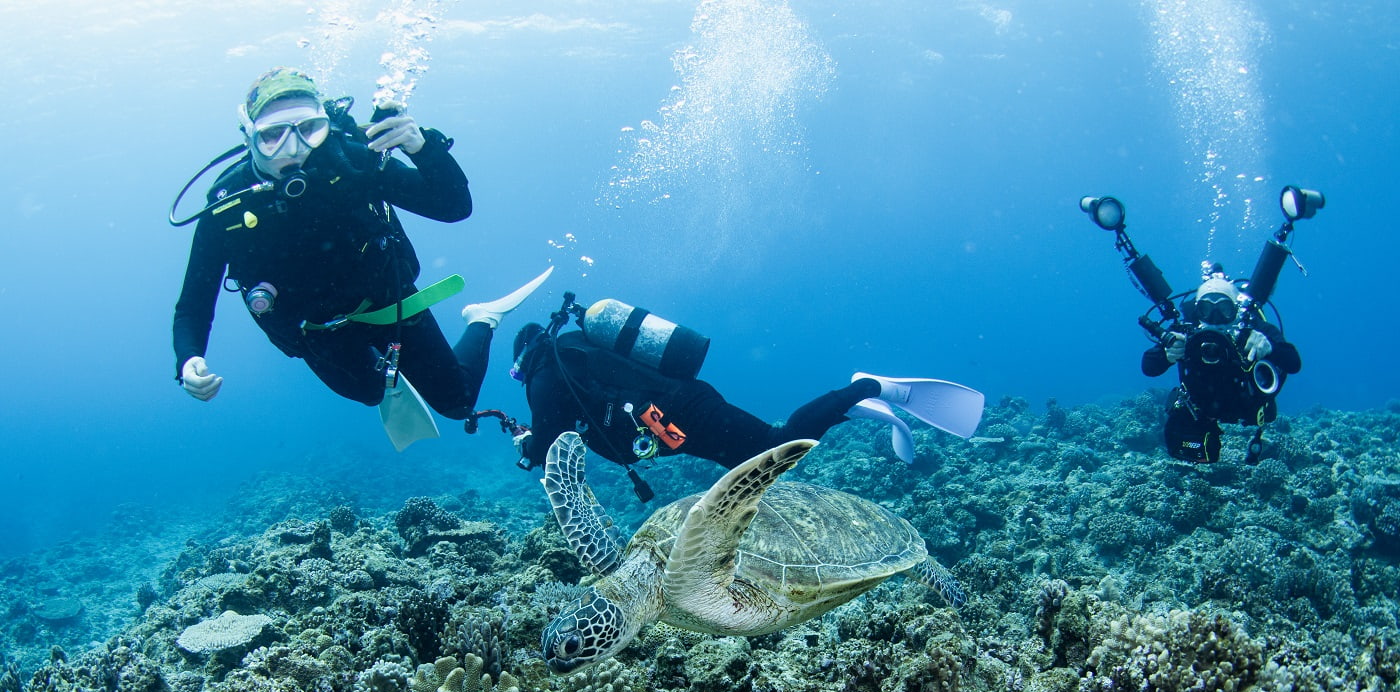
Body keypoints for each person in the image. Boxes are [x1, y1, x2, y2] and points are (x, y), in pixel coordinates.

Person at [172, 67, 511, 438]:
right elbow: (194, 302)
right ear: (249, 136)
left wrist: (422, 147)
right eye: (273, 136)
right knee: (367, 392)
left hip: (389, 302)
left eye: (309, 130)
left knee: (458, 403)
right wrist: (189, 358)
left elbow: (453, 206)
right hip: (317, 332)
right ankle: (380, 378)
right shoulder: (228, 207)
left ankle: (482, 318)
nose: (295, 150)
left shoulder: (351, 163)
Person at [506, 312, 984, 480]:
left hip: (678, 413)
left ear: (523, 357)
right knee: (755, 466)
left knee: (773, 451)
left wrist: (528, 447)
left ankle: (870, 387)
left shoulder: (546, 374)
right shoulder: (572, 355)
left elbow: (550, 440)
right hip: (676, 416)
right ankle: (853, 409)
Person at [1141, 266, 1301, 464]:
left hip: (1247, 407)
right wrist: (1167, 354)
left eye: (1224, 308)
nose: (1215, 317)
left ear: (1236, 309)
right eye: (1206, 309)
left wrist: (1269, 347)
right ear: (1197, 311)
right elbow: (1148, 367)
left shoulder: (1254, 329)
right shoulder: (1186, 332)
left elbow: (1293, 363)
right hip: (1202, 409)